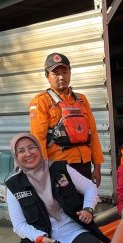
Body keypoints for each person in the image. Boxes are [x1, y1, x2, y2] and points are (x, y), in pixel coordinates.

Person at [5, 133, 108, 243]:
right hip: (39, 236)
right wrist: (39, 236)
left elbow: (90, 186)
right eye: (21, 151)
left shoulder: (60, 169)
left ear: (40, 149)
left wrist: (88, 208)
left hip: (71, 228)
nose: (28, 153)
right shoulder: (13, 185)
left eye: (32, 147)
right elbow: (19, 225)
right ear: (16, 157)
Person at [29, 53, 104, 186]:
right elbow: (38, 139)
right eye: (55, 73)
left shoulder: (82, 100)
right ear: (47, 76)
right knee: (66, 205)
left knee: (85, 203)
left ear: (70, 72)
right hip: (59, 166)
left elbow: (93, 134)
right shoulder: (41, 101)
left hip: (84, 164)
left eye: (65, 72)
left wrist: (97, 167)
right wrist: (43, 172)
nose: (61, 77)